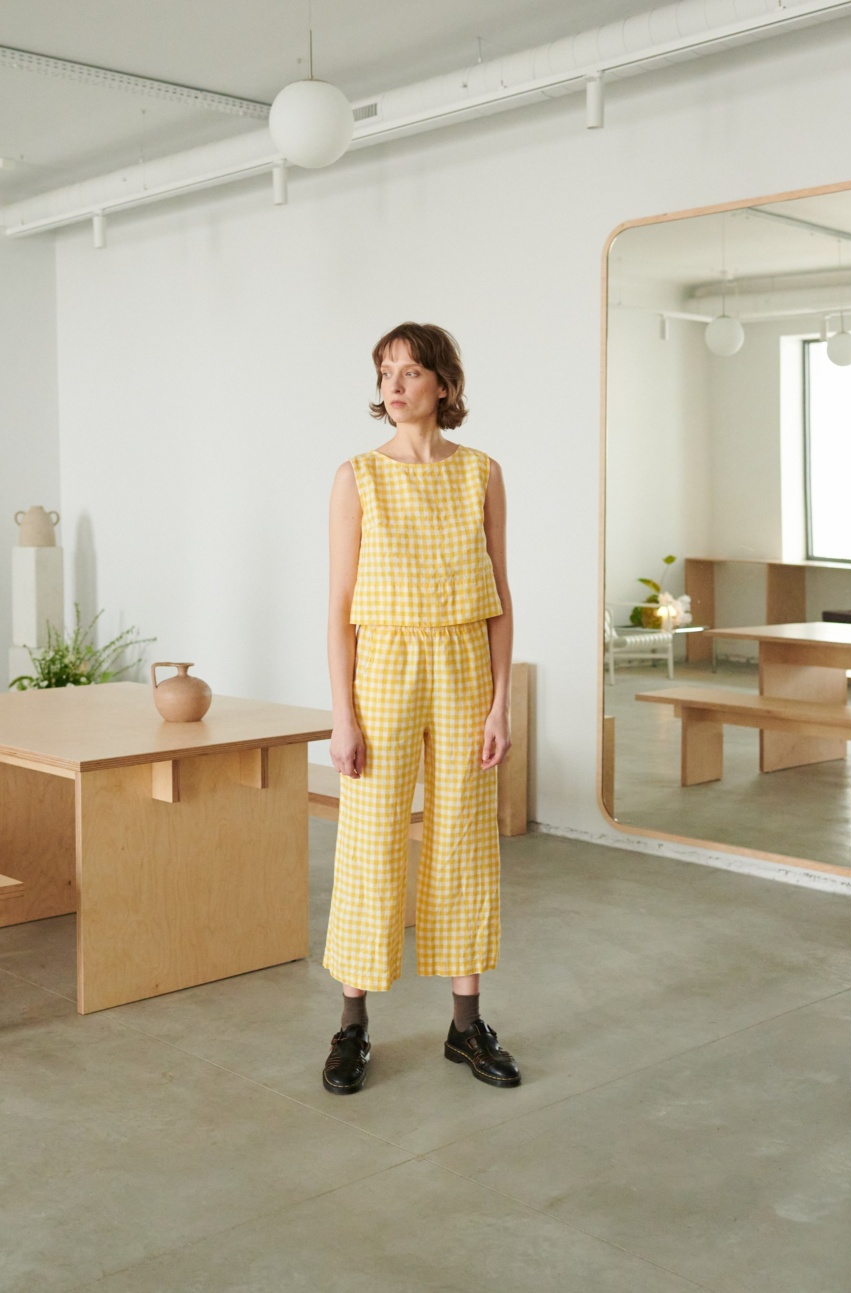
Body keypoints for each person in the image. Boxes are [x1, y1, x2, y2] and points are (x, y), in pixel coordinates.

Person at [322, 321, 520, 1094]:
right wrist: (344, 713)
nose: (394, 384)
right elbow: (339, 605)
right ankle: (352, 1025)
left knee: (465, 838)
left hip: (465, 663)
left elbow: (501, 597)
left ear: (443, 383)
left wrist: (501, 703)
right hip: (385, 666)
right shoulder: (356, 477)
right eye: (384, 371)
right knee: (370, 840)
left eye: (410, 370)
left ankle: (466, 1027)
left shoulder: (482, 473)